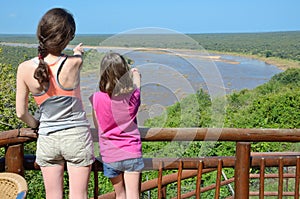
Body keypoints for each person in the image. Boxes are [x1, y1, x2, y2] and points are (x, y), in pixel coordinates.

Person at [16, 8, 94, 199]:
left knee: (52, 195)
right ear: (67, 38)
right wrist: (77, 51)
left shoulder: (24, 68)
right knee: (79, 195)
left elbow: (21, 113)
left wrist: (37, 125)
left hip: (47, 139)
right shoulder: (75, 62)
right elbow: (78, 57)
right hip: (76, 137)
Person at [90, 52, 144, 199]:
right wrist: (136, 75)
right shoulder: (132, 97)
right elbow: (138, 87)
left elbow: (98, 126)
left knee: (120, 195)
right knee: (133, 194)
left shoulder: (96, 98)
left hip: (110, 154)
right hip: (131, 151)